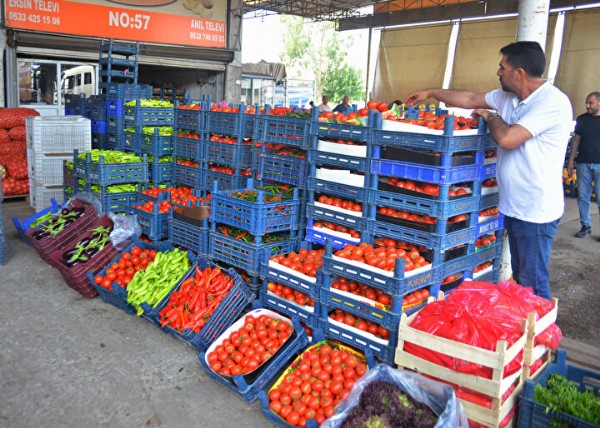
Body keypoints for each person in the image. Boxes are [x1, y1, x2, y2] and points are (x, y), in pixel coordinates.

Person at [405, 41, 573, 301]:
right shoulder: (509, 98)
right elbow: (470, 98)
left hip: (536, 211)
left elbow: (507, 138)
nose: (498, 72)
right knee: (522, 280)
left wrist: (489, 116)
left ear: (518, 73)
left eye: (502, 67)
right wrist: (431, 92)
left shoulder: (553, 102)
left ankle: (544, 339)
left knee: (533, 284)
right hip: (514, 206)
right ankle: (528, 336)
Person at [567, 92, 600, 238]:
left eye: (591, 103)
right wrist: (571, 161)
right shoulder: (582, 119)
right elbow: (576, 141)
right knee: (583, 196)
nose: (587, 105)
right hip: (583, 163)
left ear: (599, 103)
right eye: (587, 102)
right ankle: (585, 226)